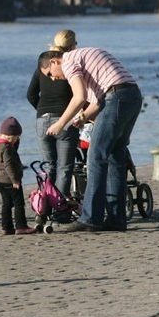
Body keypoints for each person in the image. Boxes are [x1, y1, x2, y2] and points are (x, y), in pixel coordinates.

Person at [39, 46, 142, 232]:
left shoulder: (69, 60)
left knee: (95, 157)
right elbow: (96, 103)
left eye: (50, 74)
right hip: (132, 96)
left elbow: (80, 97)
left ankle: (90, 218)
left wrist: (60, 124)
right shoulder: (86, 61)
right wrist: (83, 117)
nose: (53, 79)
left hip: (117, 97)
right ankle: (116, 219)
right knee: (115, 157)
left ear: (55, 61)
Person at [27, 44, 79, 198]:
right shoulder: (69, 69)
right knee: (64, 167)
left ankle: (47, 203)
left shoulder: (41, 70)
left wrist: (42, 111)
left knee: (49, 165)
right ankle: (60, 206)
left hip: (42, 121)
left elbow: (30, 95)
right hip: (65, 120)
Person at [0, 116, 35, 235]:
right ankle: (21, 226)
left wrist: (15, 143)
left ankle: (6, 227)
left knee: (6, 204)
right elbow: (8, 164)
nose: (17, 140)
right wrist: (15, 180)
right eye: (16, 138)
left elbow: (11, 154)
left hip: (0, 180)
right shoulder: (7, 148)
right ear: (10, 136)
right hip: (10, 180)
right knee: (18, 203)